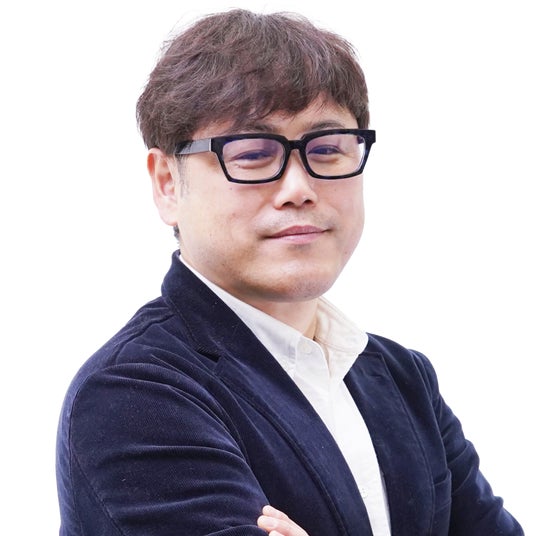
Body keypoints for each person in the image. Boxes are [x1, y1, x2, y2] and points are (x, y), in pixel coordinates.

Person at [55, 8, 524, 536]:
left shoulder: (403, 378)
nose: (299, 188)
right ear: (167, 182)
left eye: (326, 149)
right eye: (252, 153)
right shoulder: (134, 395)